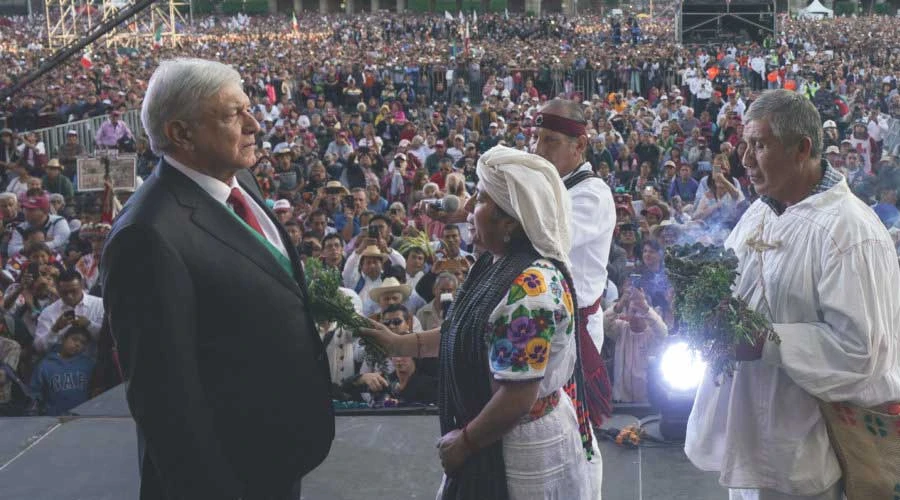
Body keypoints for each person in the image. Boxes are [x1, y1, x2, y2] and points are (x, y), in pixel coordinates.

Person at [100, 58, 333, 500]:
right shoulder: (147, 236)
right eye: (232, 114)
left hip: (274, 454)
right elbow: (164, 398)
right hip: (226, 475)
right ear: (180, 133)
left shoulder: (237, 176)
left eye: (248, 108)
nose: (254, 125)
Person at [685, 89, 900, 500]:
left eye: (760, 146)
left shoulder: (850, 231)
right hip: (751, 435)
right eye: (744, 145)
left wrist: (766, 341)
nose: (745, 160)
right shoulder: (763, 210)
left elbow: (862, 351)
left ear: (802, 149)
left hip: (810, 452)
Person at [361, 146, 601, 499]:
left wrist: (466, 442)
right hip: (493, 434)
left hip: (522, 452)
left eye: (481, 199)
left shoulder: (531, 287)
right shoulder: (494, 265)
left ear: (510, 222)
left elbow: (517, 395)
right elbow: (470, 331)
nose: (469, 209)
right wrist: (401, 344)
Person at [534, 98, 616, 427]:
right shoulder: (553, 186)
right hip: (546, 324)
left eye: (550, 141)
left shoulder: (591, 194)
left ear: (579, 145)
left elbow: (548, 239)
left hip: (574, 330)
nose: (539, 150)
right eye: (537, 138)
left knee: (572, 429)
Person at [28, 326, 95, 416]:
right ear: (64, 339)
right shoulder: (45, 365)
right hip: (55, 419)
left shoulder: (88, 364)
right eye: (74, 339)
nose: (77, 344)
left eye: (82, 343)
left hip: (83, 418)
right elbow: (34, 393)